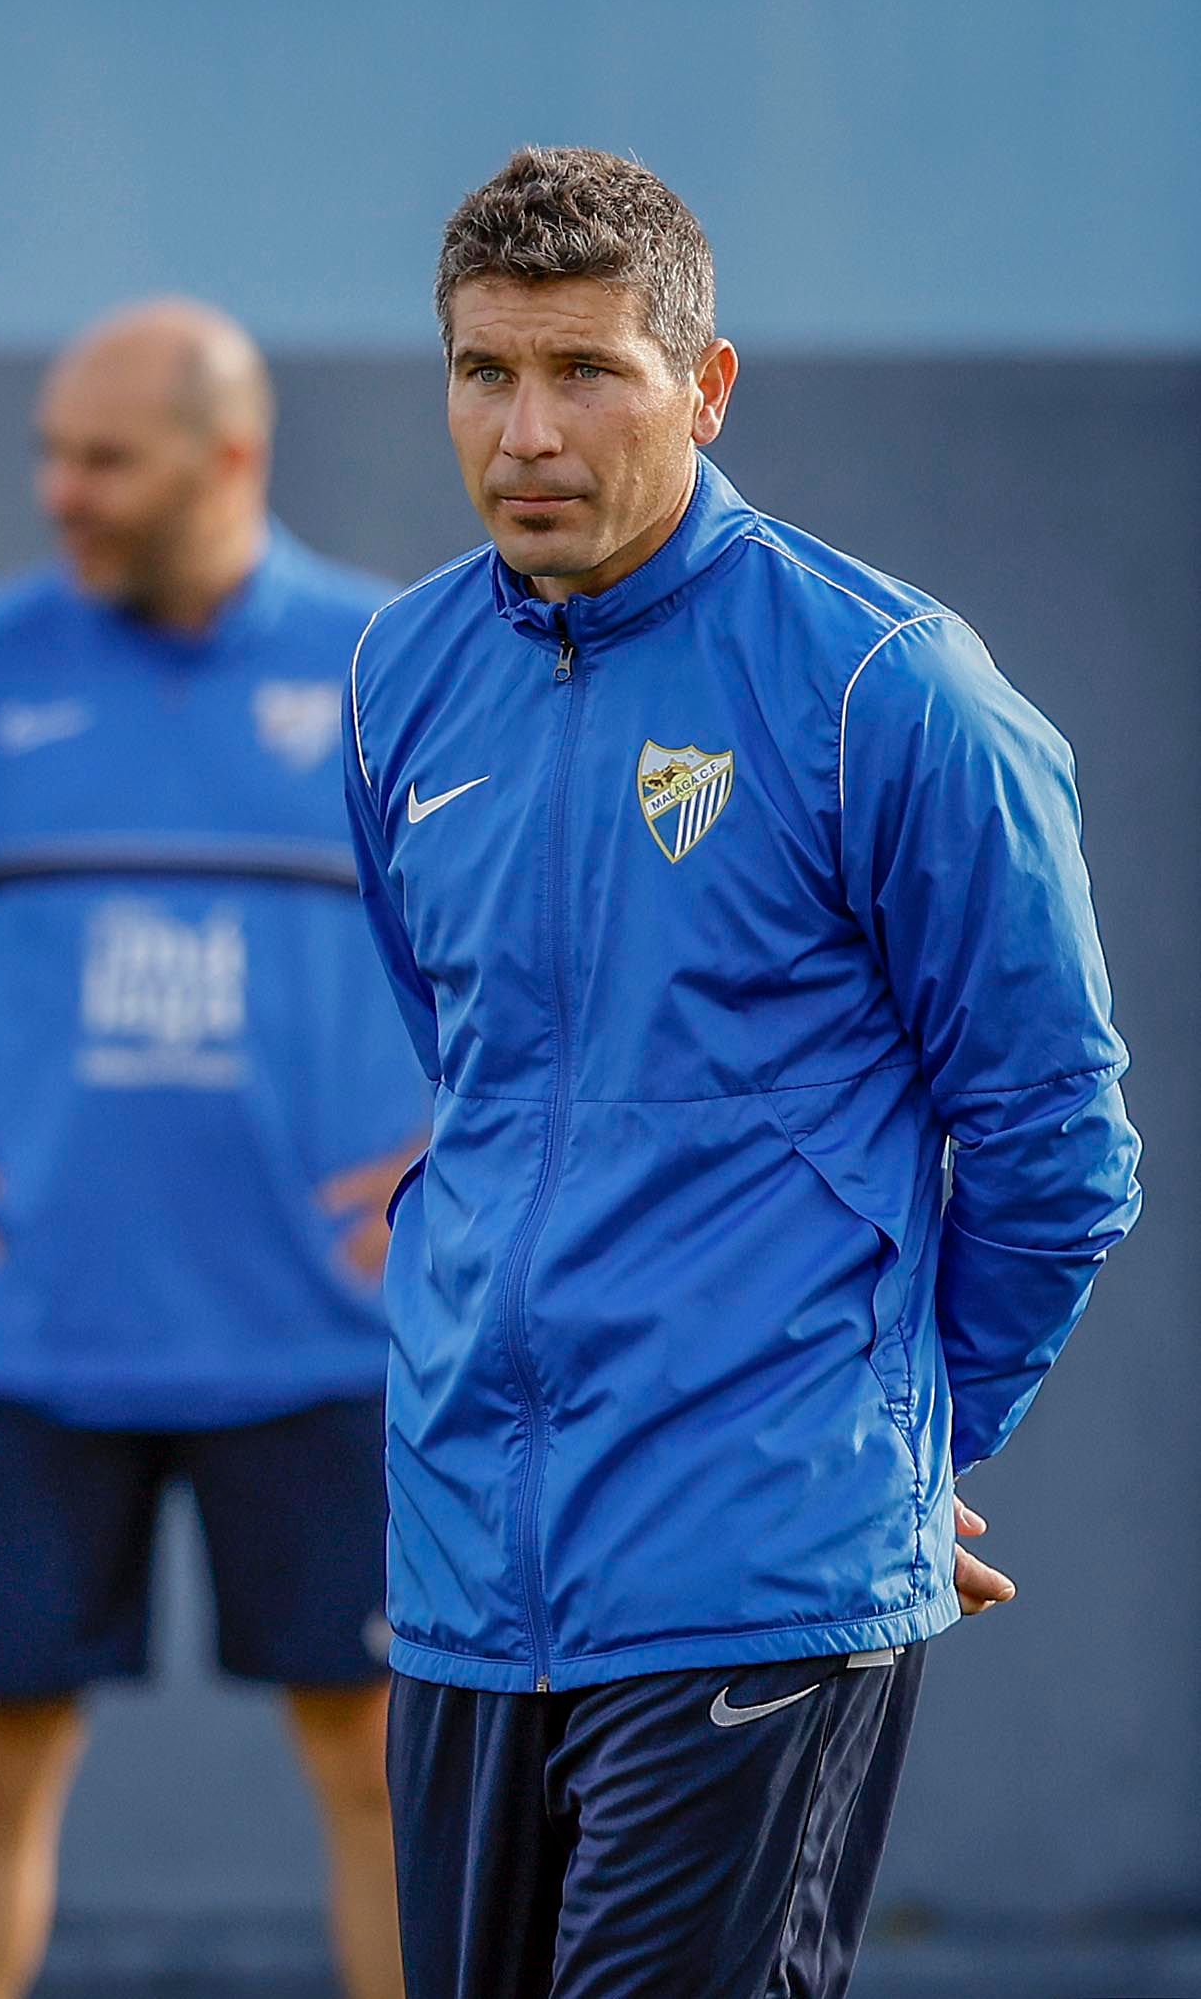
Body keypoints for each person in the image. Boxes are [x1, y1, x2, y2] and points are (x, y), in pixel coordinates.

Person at [344, 147, 1141, 1999]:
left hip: (750, 1569)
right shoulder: (398, 680)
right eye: (483, 372)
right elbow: (475, 1082)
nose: (525, 429)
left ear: (702, 386)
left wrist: (909, 1436)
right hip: (469, 1578)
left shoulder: (888, 687)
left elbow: (1054, 1142)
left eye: (586, 372)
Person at [0, 300, 424, 1999]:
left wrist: (454, 1146)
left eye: (104, 459)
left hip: (323, 1343)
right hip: (32, 1341)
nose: (62, 491)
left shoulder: (385, 669)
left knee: (383, 1768)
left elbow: (562, 922)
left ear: (230, 457)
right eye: (50, 451)